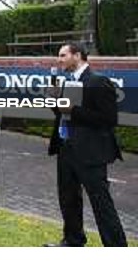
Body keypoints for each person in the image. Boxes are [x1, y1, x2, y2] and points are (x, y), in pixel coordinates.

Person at [45, 42, 127, 247]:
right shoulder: (66, 82)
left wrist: (73, 110)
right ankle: (73, 241)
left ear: (77, 56)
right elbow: (64, 114)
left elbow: (109, 119)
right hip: (66, 149)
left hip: (90, 154)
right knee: (68, 199)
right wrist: (55, 102)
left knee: (101, 204)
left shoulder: (98, 81)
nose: (59, 59)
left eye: (63, 55)